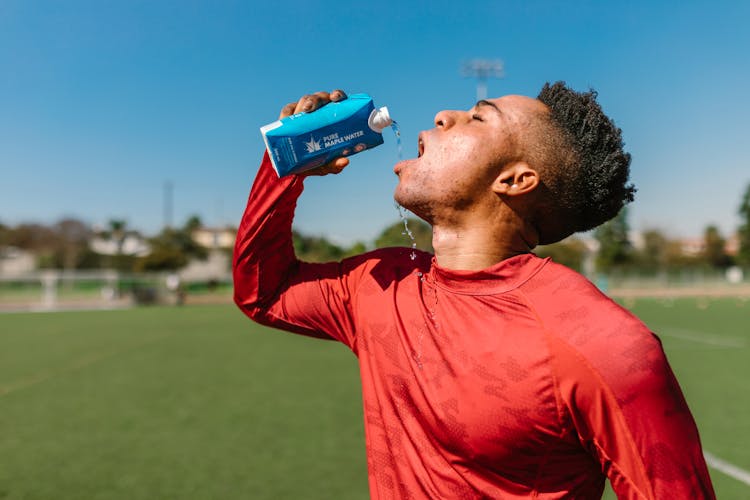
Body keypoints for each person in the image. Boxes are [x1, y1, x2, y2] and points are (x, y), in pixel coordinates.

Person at [233, 84, 715, 499]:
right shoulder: (380, 282)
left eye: (479, 117)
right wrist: (284, 170)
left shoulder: (603, 344)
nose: (443, 115)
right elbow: (265, 292)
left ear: (514, 180)